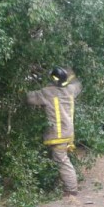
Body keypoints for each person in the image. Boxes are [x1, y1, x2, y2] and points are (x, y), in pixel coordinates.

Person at [27, 67, 82, 197]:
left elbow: (29, 98)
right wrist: (69, 73)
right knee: (59, 158)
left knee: (62, 160)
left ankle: (71, 189)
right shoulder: (70, 90)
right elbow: (77, 84)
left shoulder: (47, 92)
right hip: (68, 133)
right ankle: (61, 183)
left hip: (57, 134)